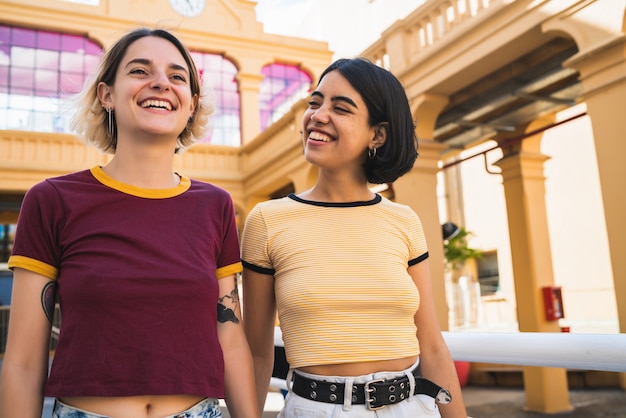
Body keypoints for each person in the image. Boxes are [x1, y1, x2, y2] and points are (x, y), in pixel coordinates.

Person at [0, 28, 258, 418]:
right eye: (140, 71)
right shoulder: (52, 201)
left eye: (177, 76)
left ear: (191, 104)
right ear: (106, 95)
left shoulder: (216, 206)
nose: (161, 83)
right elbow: (22, 363)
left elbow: (230, 334)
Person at [241, 57, 468, 417]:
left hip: (409, 408)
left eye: (340, 108)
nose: (317, 115)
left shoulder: (404, 221)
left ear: (376, 135)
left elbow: (433, 346)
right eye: (315, 102)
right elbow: (255, 351)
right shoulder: (268, 220)